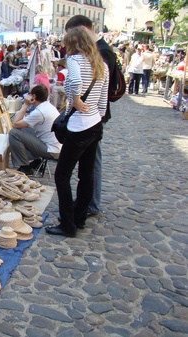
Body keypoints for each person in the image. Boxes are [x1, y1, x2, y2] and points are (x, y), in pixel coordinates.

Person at [45, 26, 108, 238]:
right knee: (86, 175)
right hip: (95, 125)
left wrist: (77, 99)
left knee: (62, 176)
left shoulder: (74, 60)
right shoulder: (101, 64)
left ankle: (68, 224)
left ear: (73, 44)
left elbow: (75, 81)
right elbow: (102, 102)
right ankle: (79, 217)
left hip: (79, 126)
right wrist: (96, 119)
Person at [64, 15, 118, 218]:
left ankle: (84, 208)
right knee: (87, 170)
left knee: (69, 173)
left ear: (81, 31)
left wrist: (76, 100)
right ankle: (83, 209)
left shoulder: (92, 55)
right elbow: (103, 95)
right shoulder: (101, 55)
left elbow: (82, 82)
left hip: (85, 119)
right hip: (94, 118)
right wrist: (99, 115)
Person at [9, 84, 61, 176]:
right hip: (53, 145)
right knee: (23, 128)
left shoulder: (40, 112)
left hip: (51, 150)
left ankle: (25, 167)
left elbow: (15, 124)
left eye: (29, 94)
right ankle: (36, 161)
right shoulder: (47, 106)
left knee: (14, 133)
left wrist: (25, 104)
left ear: (33, 97)